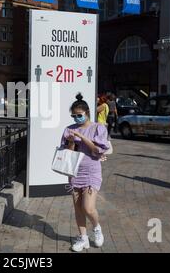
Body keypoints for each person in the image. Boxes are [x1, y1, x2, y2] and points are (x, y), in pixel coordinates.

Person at [61, 93, 110, 252]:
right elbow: (67, 153)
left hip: (91, 171)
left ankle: (96, 228)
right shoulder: (69, 129)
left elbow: (97, 150)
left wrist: (81, 136)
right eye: (74, 116)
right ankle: (83, 238)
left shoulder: (98, 128)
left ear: (87, 113)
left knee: (88, 208)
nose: (76, 118)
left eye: (79, 115)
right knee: (78, 208)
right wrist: (70, 141)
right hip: (75, 172)